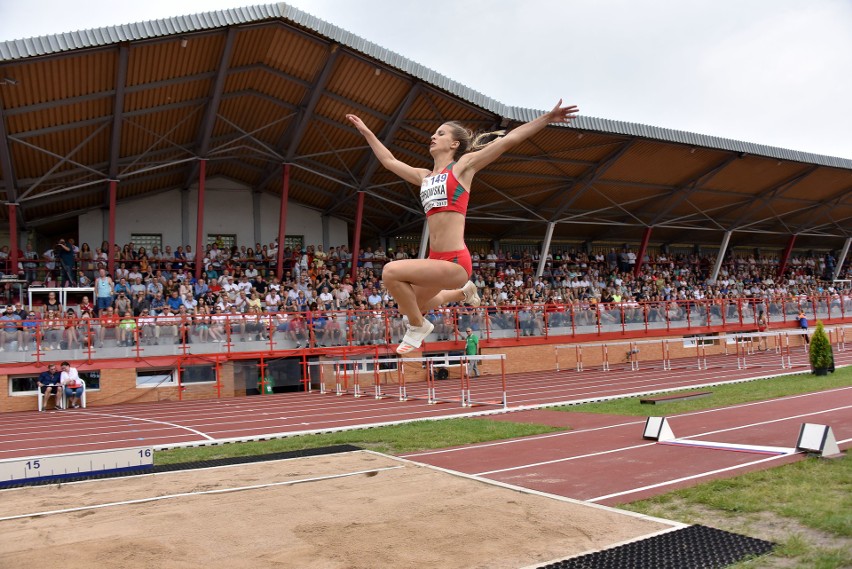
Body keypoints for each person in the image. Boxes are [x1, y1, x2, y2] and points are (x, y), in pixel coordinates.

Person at [346, 99, 579, 353]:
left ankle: (418, 326)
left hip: (455, 261)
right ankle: (462, 293)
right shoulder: (424, 176)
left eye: (440, 133)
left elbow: (507, 141)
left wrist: (546, 118)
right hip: (437, 261)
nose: (433, 137)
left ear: (454, 144)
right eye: (434, 133)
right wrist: (366, 132)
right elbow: (389, 161)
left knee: (391, 272)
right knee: (406, 304)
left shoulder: (462, 167)